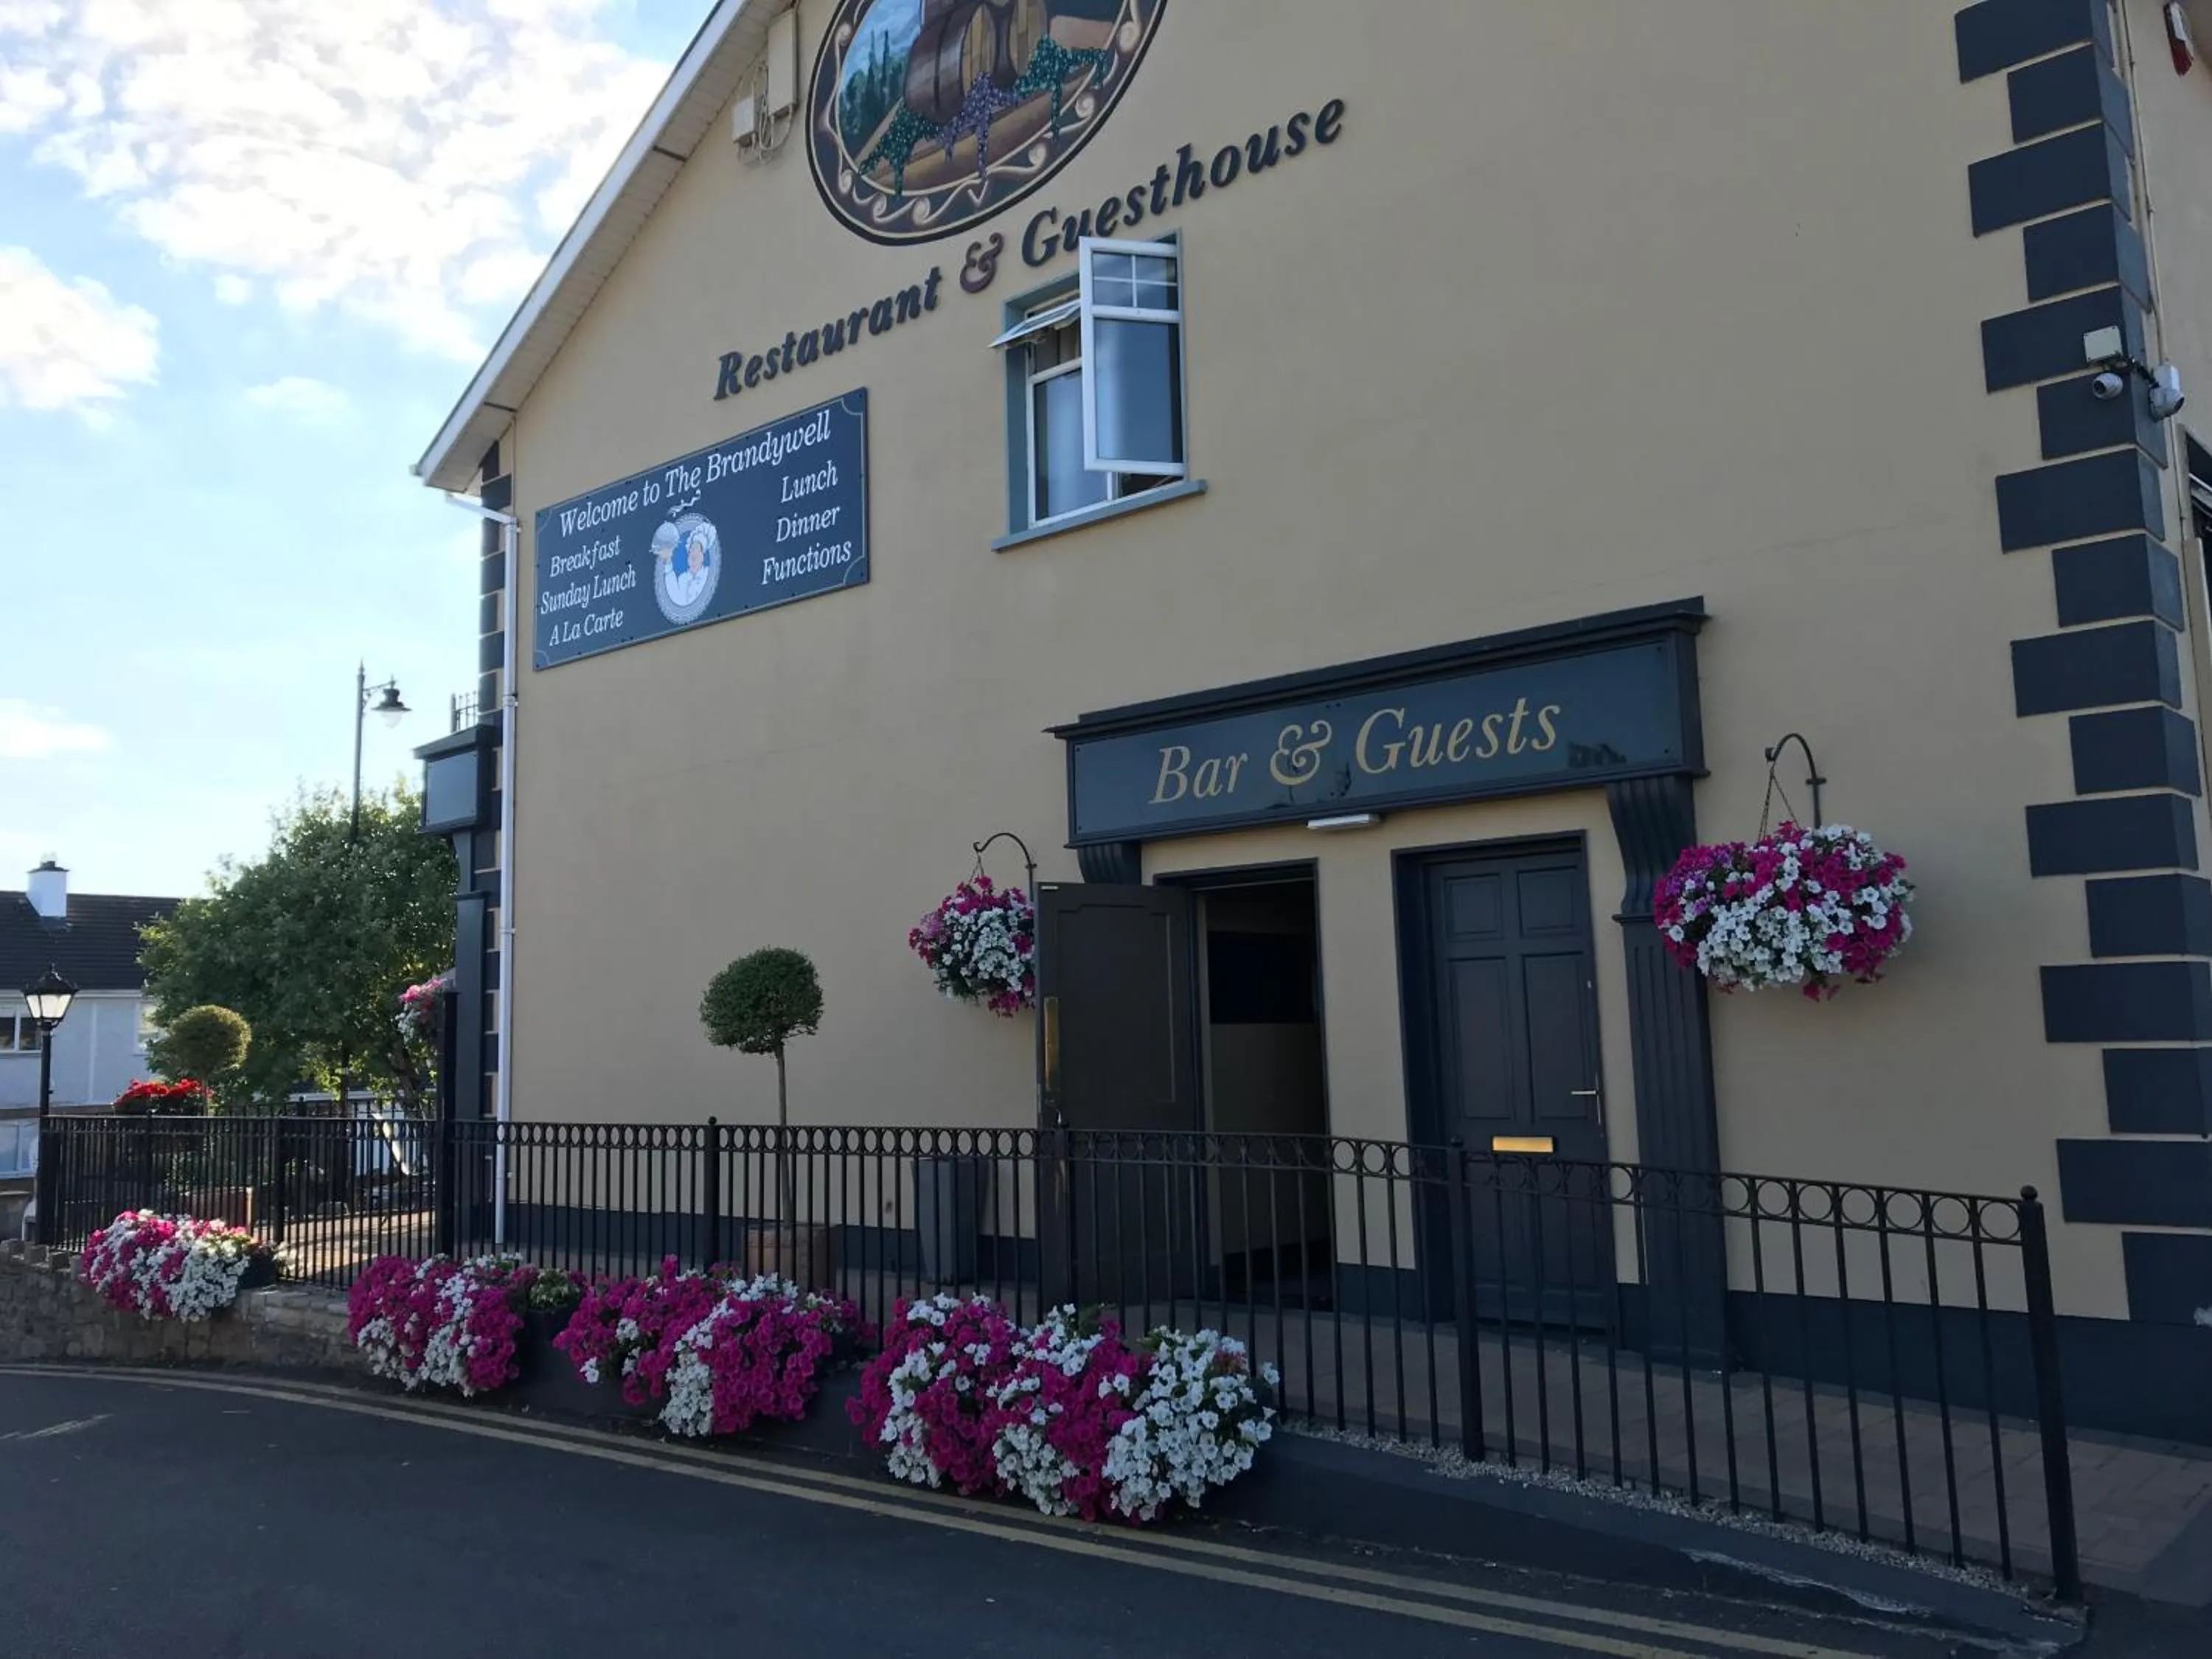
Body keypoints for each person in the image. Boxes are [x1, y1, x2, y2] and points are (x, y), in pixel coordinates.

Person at [664, 527, 712, 607]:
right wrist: (668, 562)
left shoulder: (708, 574)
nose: (692, 554)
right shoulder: (683, 578)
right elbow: (675, 596)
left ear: (702, 555)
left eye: (696, 549)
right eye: (690, 551)